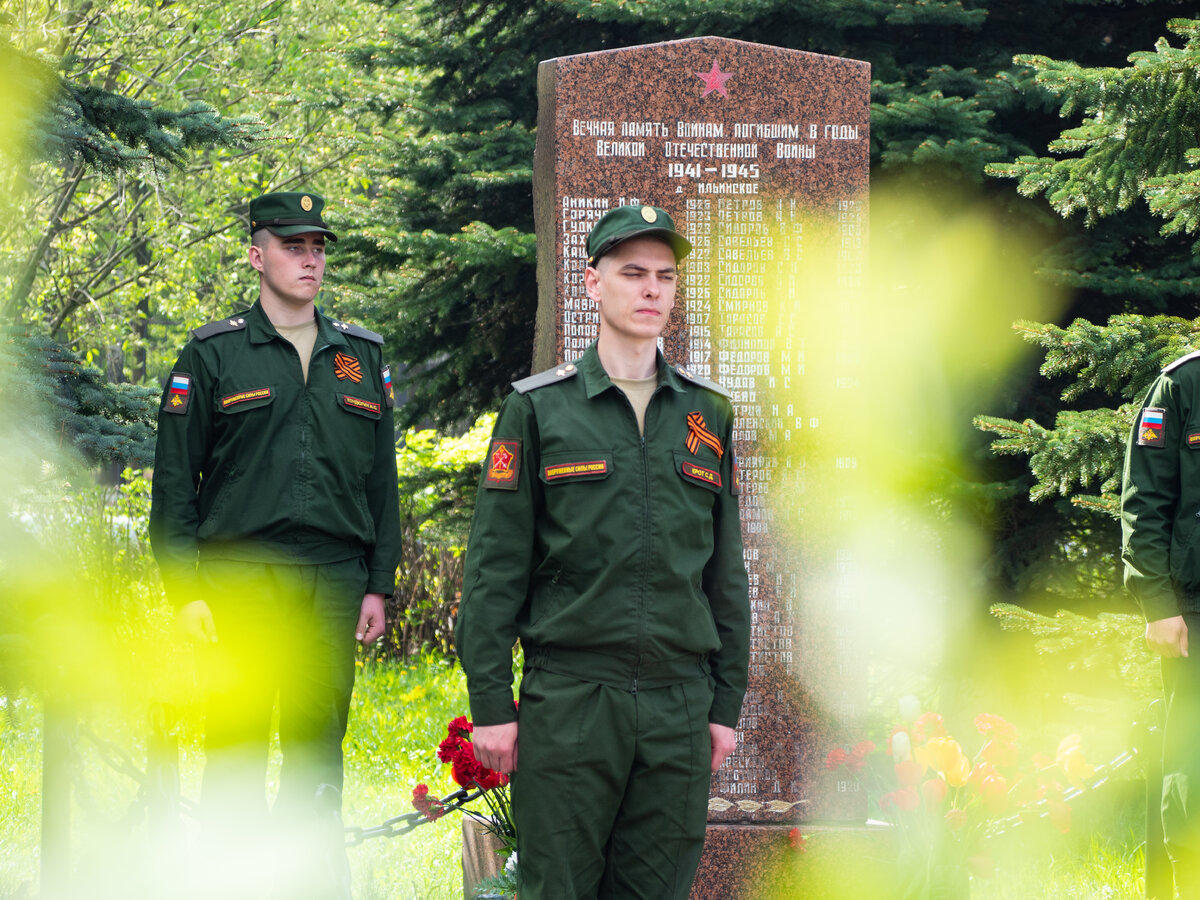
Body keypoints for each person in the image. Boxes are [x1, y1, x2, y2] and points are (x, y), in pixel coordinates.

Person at [456, 204, 751, 900]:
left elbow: (724, 571)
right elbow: (494, 568)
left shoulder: (705, 414)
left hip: (679, 704)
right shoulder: (539, 410)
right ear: (592, 283)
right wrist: (492, 705)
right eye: (632, 274)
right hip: (572, 699)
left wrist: (723, 706)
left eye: (665, 277)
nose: (651, 290)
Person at [148, 190, 401, 899]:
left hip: (332, 580)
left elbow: (381, 479)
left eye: (318, 247)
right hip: (238, 580)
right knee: (235, 742)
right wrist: (186, 590)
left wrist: (378, 582)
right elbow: (174, 484)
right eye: (294, 246)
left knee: (318, 746)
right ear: (258, 256)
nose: (310, 259)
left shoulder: (360, 357)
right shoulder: (213, 354)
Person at [1122, 349, 1200, 898]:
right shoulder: (1182, 385)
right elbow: (1145, 501)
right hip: (1193, 612)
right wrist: (1158, 602)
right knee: (1191, 769)